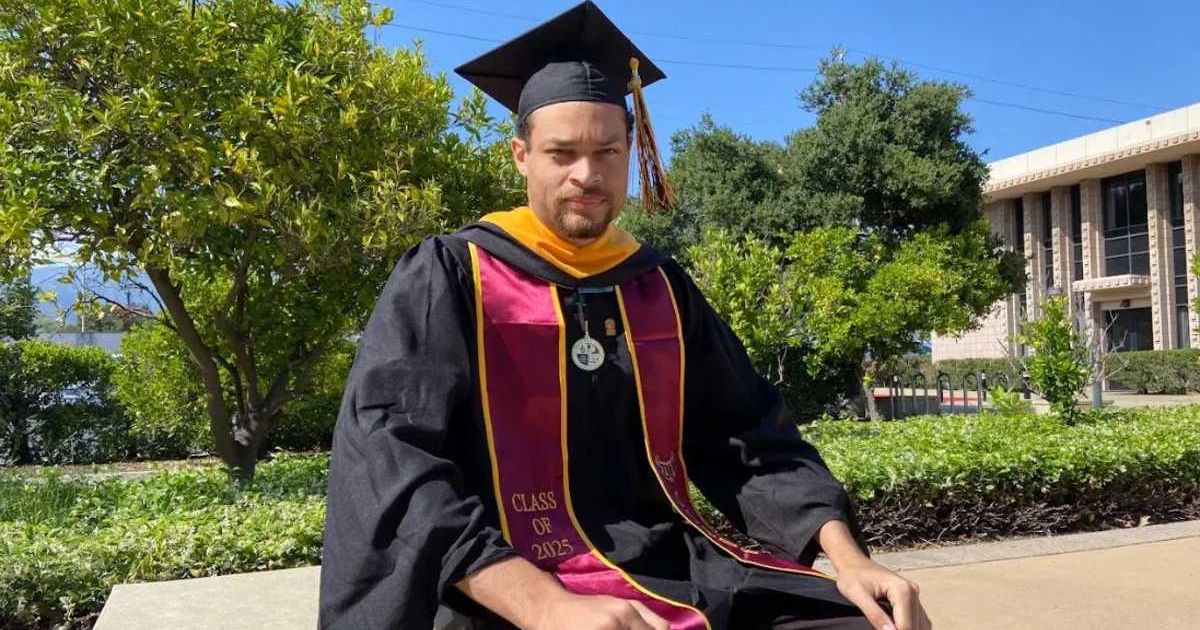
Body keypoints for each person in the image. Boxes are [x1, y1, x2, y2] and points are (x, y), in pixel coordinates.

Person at [318, 2, 931, 629]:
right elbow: (392, 459)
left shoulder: (657, 285)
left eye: (607, 151)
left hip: (671, 565)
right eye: (561, 153)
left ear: (631, 149)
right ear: (521, 155)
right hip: (501, 583)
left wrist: (849, 559)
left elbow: (749, 435)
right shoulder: (451, 275)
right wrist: (544, 605)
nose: (587, 175)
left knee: (874, 621)